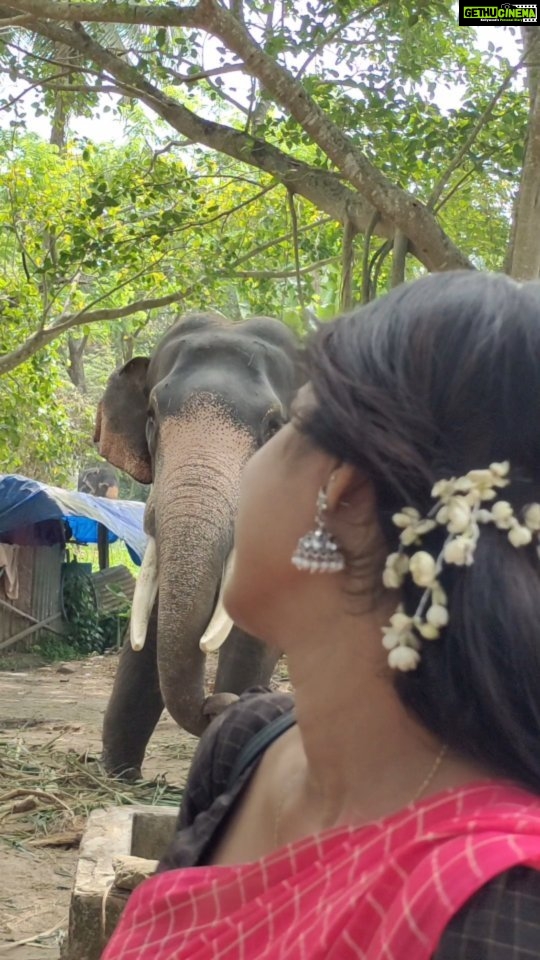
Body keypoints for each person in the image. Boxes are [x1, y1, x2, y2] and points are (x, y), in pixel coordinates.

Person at [103, 271, 540, 960]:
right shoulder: (245, 749)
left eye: (285, 426)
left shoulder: (501, 910)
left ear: (341, 493)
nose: (227, 473)